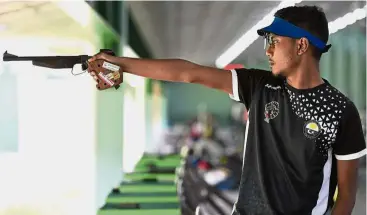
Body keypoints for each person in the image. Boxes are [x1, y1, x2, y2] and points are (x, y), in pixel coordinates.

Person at [88, 5, 366, 215]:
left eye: (273, 41)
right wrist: (121, 64)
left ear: (301, 45)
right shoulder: (259, 86)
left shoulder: (341, 111)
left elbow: (347, 194)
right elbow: (189, 73)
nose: (267, 50)